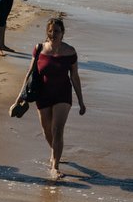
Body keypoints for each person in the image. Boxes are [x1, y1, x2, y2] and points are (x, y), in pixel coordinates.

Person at [12, 18, 85, 180]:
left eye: (57, 31)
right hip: (43, 95)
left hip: (62, 95)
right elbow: (29, 74)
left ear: (63, 33)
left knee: (57, 130)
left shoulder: (70, 52)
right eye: (50, 31)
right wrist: (18, 99)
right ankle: (55, 152)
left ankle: (55, 166)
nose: (53, 34)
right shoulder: (39, 49)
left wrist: (81, 101)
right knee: (47, 131)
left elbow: (74, 77)